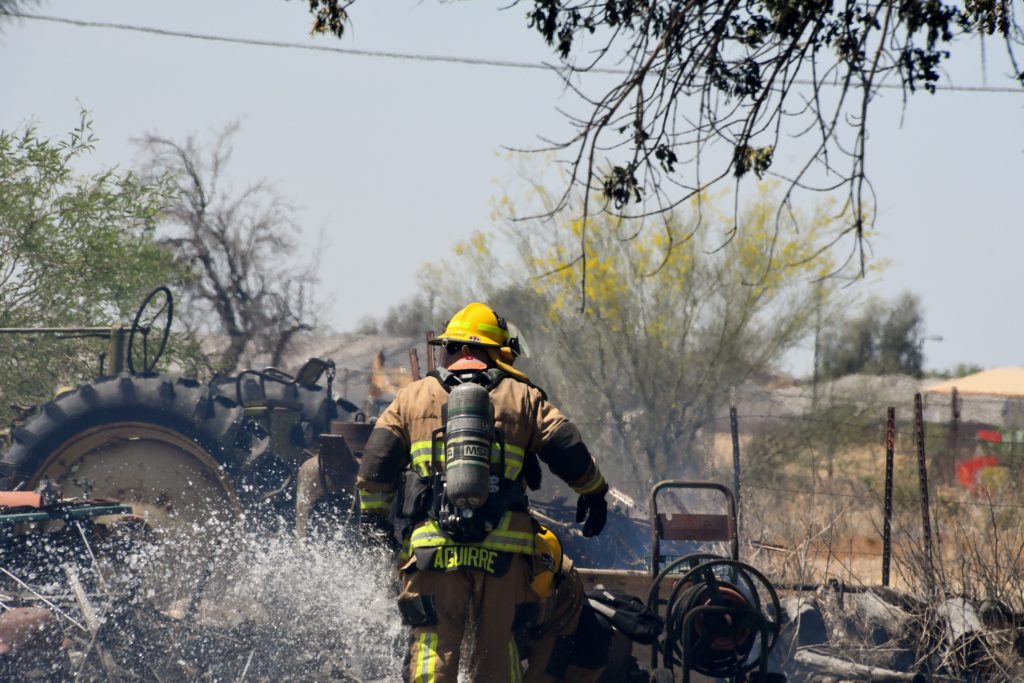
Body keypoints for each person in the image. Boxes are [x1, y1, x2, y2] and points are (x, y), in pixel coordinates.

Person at [356, 302, 609, 683]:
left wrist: (374, 522)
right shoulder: (523, 397)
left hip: (433, 552)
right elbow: (567, 448)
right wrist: (594, 491)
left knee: (432, 652)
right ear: (494, 350)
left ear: (458, 348)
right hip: (505, 553)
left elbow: (375, 467)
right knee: (498, 654)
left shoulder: (412, 397)